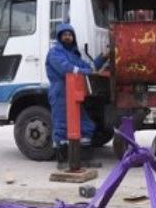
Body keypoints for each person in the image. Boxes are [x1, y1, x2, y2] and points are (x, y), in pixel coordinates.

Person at [45, 22, 109, 164]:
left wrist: (103, 57)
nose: (68, 37)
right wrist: (86, 72)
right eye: (65, 35)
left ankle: (82, 158)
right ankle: (62, 161)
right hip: (60, 93)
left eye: (70, 35)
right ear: (59, 37)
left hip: (74, 93)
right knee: (61, 125)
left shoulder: (74, 55)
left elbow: (89, 67)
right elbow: (65, 69)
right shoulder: (55, 53)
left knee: (86, 125)